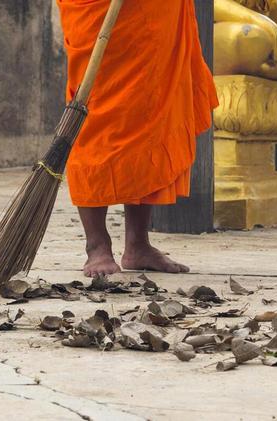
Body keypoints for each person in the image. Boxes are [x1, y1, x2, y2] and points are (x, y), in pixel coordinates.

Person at [56, 0, 218, 277]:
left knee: (149, 111)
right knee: (97, 115)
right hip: (96, 10)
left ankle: (138, 245)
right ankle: (97, 246)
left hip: (153, 11)